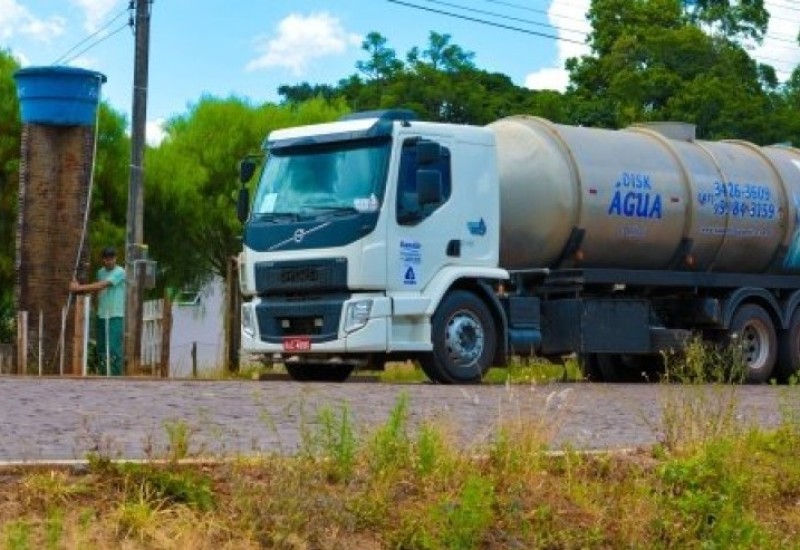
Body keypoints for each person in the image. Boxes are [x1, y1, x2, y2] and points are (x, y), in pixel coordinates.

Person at [70, 246, 126, 376]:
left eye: (111, 259)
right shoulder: (100, 272)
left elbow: (102, 285)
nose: (109, 261)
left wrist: (78, 288)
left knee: (113, 348)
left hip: (115, 315)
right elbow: (97, 290)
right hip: (101, 314)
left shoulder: (120, 272)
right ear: (103, 259)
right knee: (101, 347)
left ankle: (115, 375)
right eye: (106, 259)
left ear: (115, 258)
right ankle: (103, 374)